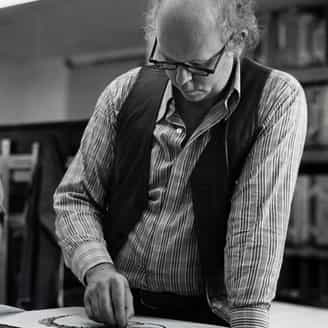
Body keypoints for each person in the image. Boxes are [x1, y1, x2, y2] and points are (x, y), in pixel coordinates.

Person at [54, 0, 307, 327]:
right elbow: (75, 197)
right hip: (114, 314)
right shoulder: (125, 92)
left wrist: (249, 321)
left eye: (199, 66)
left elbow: (256, 224)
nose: (183, 80)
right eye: (169, 62)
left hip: (203, 317)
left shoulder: (275, 100)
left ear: (237, 40)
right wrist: (97, 269)